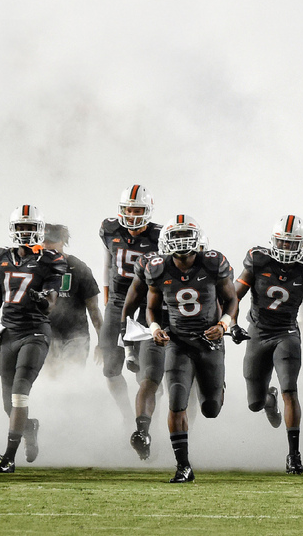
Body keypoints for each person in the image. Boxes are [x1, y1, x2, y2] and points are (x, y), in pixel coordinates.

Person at [0, 205, 67, 472]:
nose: (25, 232)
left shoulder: (52, 260)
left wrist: (41, 299)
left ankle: (9, 457)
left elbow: (51, 305)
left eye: (30, 227)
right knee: (7, 404)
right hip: (9, 333)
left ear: (39, 230)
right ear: (13, 230)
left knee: (20, 393)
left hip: (35, 333)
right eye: (21, 227)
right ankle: (30, 428)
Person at [144, 215, 239, 483]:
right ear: (165, 241)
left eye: (186, 235)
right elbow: (151, 307)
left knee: (211, 409)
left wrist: (223, 324)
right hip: (178, 342)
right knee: (176, 402)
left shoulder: (212, 263)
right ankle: (183, 466)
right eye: (175, 236)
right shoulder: (158, 268)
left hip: (210, 341)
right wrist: (154, 329)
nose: (180, 241)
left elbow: (231, 299)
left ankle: (217, 387)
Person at [234, 215, 303, 475]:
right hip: (258, 333)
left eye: (292, 243)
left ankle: (293, 455)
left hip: (286, 333)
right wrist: (231, 325)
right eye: (282, 243)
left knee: (290, 390)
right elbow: (233, 296)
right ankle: (268, 399)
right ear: (273, 241)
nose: (286, 249)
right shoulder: (257, 260)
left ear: (302, 244)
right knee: (254, 403)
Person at [99, 185, 161, 423]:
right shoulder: (109, 228)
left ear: (148, 210)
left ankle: (144, 411)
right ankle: (126, 412)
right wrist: (107, 297)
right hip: (117, 300)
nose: (132, 215)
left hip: (147, 304)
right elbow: (107, 263)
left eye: (137, 210)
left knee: (145, 369)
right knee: (110, 367)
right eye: (128, 209)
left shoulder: (160, 236)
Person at [119, 238, 168, 461]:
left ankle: (183, 436)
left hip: (191, 333)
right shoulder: (150, 265)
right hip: (154, 329)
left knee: (189, 391)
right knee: (150, 380)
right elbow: (129, 305)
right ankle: (143, 432)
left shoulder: (207, 266)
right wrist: (127, 343)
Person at [41, 224, 103, 369]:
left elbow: (94, 310)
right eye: (43, 240)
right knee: (49, 380)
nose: (47, 245)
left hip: (76, 335)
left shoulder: (78, 267)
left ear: (63, 241)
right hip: (46, 333)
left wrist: (102, 343)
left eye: (51, 241)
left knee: (71, 377)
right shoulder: (34, 268)